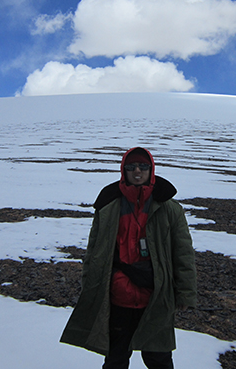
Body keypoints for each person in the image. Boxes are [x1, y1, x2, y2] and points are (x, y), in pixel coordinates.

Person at [60, 147, 197, 369]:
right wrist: (90, 287)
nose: (137, 171)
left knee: (159, 359)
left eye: (143, 166)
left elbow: (183, 253)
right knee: (116, 359)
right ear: (123, 170)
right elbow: (94, 252)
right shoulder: (108, 205)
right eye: (131, 166)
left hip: (156, 297)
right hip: (118, 297)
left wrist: (186, 292)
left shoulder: (170, 209)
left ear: (151, 170)